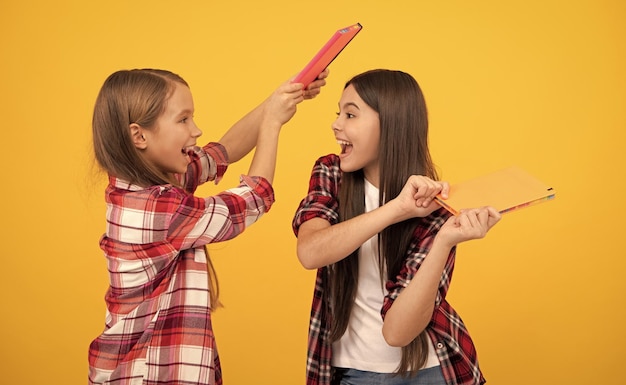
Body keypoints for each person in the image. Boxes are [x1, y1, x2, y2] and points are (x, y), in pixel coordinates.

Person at [88, 68, 327, 385]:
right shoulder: (154, 206)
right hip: (146, 374)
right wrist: (272, 124)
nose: (196, 130)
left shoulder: (144, 184)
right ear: (139, 135)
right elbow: (251, 199)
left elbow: (221, 152)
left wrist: (278, 101)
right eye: (183, 119)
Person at [292, 69, 501, 385]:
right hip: (350, 372)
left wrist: (444, 241)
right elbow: (310, 252)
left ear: (390, 125)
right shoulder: (331, 173)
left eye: (351, 115)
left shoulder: (434, 209)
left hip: (432, 371)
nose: (336, 124)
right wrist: (397, 209)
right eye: (339, 113)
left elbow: (397, 332)